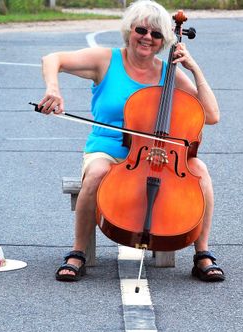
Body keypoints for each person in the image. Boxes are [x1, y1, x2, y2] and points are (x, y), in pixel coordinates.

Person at [38, 0, 224, 282]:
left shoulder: (168, 73)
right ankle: (77, 252)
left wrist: (194, 68)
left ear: (164, 41)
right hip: (107, 149)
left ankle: (202, 254)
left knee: (200, 170)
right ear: (130, 30)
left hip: (156, 154)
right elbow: (53, 59)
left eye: (157, 34)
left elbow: (211, 115)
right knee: (98, 172)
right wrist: (53, 89)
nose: (147, 37)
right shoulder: (106, 60)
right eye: (141, 30)